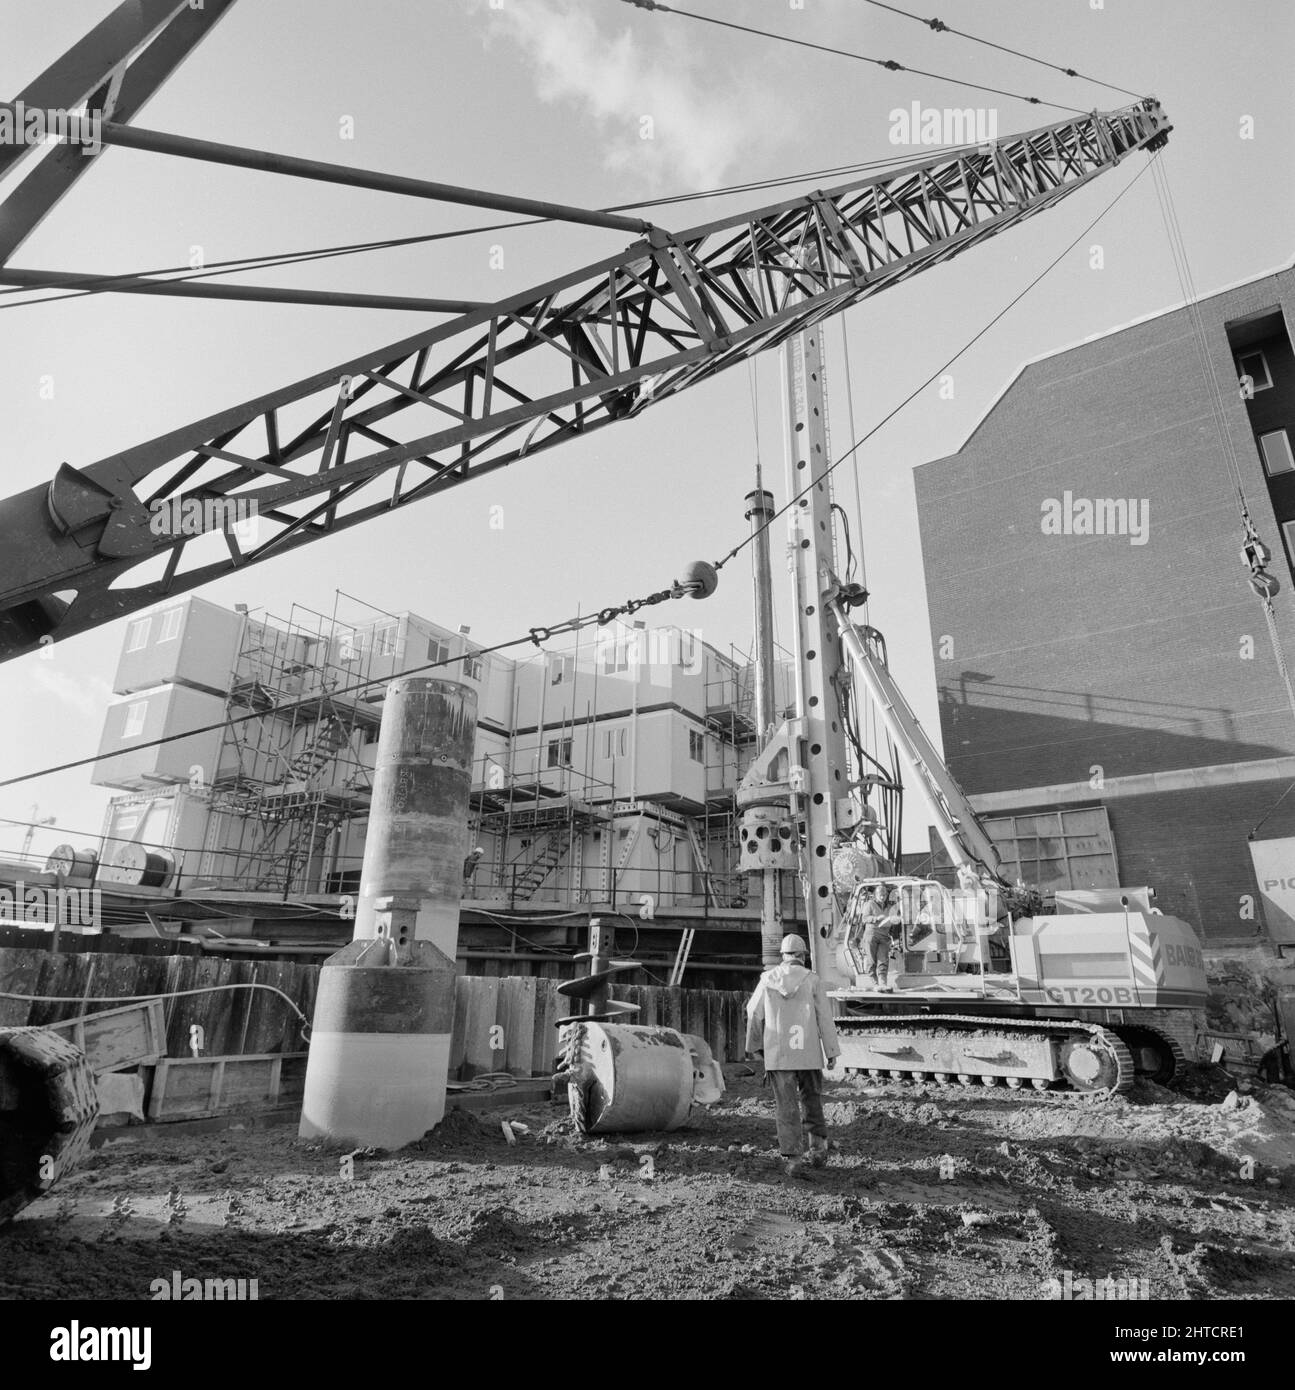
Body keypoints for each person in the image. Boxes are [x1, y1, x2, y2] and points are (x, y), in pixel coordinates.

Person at [745, 933, 841, 1177]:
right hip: (808, 1055)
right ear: (803, 955)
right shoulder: (812, 980)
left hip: (780, 1056)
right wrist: (831, 1051)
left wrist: (754, 1047)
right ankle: (818, 1149)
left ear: (783, 956)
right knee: (812, 1100)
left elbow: (753, 1012)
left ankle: (793, 1158)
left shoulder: (767, 979)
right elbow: (825, 1018)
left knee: (786, 1106)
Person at [862, 886, 902, 991]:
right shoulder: (870, 904)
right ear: (876, 895)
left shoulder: (889, 907)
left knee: (883, 960)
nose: (883, 897)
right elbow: (864, 918)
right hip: (872, 935)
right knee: (871, 961)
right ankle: (875, 984)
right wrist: (875, 918)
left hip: (884, 936)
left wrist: (895, 920)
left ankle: (883, 983)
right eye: (881, 895)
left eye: (884, 895)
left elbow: (894, 920)